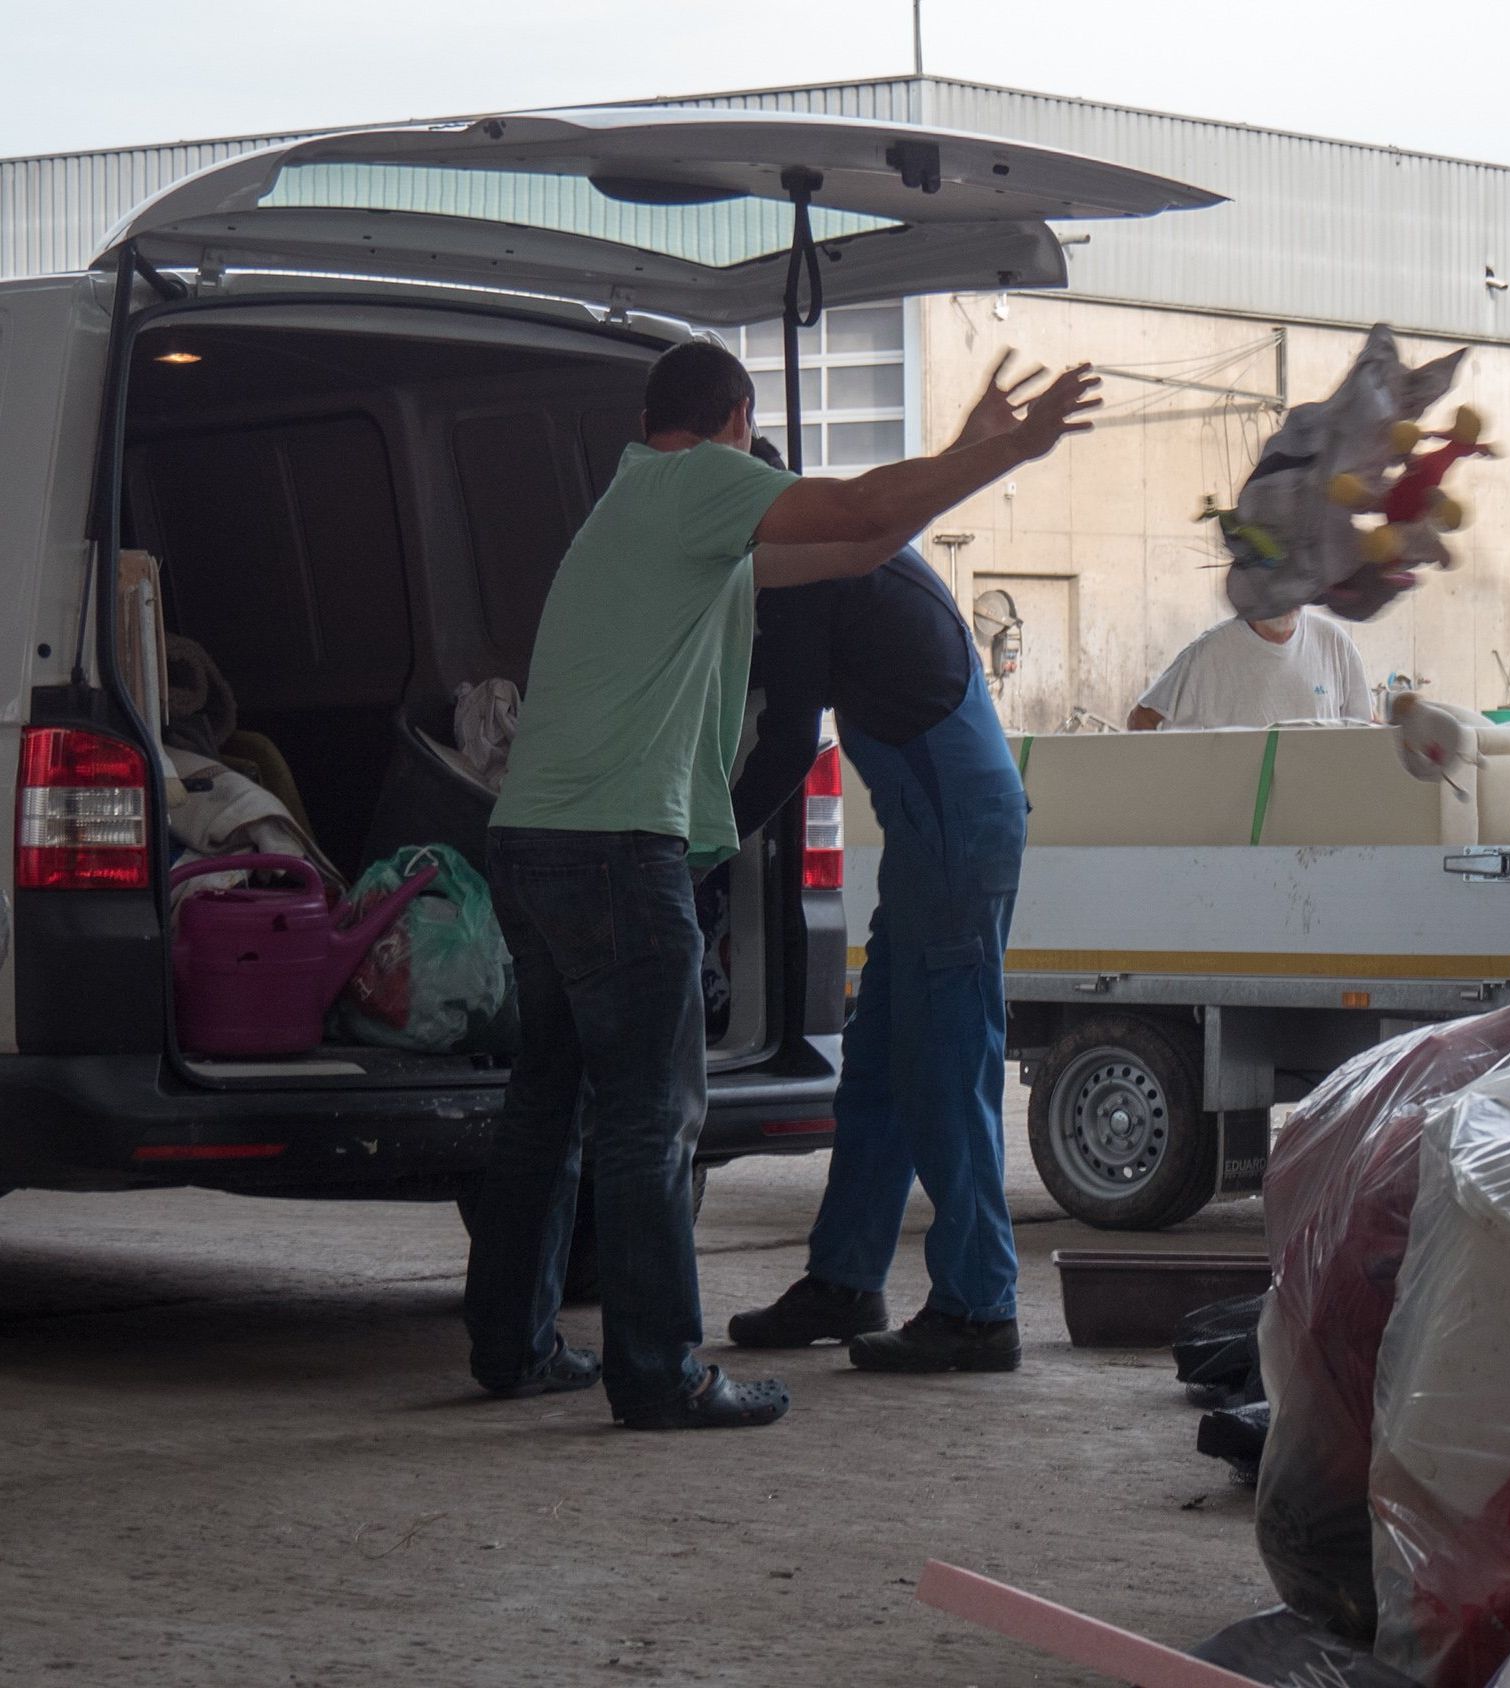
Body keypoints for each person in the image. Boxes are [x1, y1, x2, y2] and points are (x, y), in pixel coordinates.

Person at [464, 340, 1099, 1430]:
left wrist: (967, 453)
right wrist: (1012, 450)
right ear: (736, 419)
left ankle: (516, 1345)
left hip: (537, 836)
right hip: (619, 845)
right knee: (651, 1119)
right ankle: (660, 1372)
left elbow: (863, 532)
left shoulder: (635, 507)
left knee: (551, 1103)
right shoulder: (703, 480)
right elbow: (852, 508)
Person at [725, 355, 1046, 1375]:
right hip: (930, 821)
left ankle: (979, 1303)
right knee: (878, 1058)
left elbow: (784, 741)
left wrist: (697, 853)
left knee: (947, 1059)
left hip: (953, 817)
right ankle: (847, 1277)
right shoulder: (821, 533)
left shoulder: (809, 558)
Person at [1126, 607, 1372, 730]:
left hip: (1318, 811)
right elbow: (1141, 720)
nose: (1285, 600)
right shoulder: (1208, 653)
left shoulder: (1334, 643)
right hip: (1233, 818)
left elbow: (1365, 730)